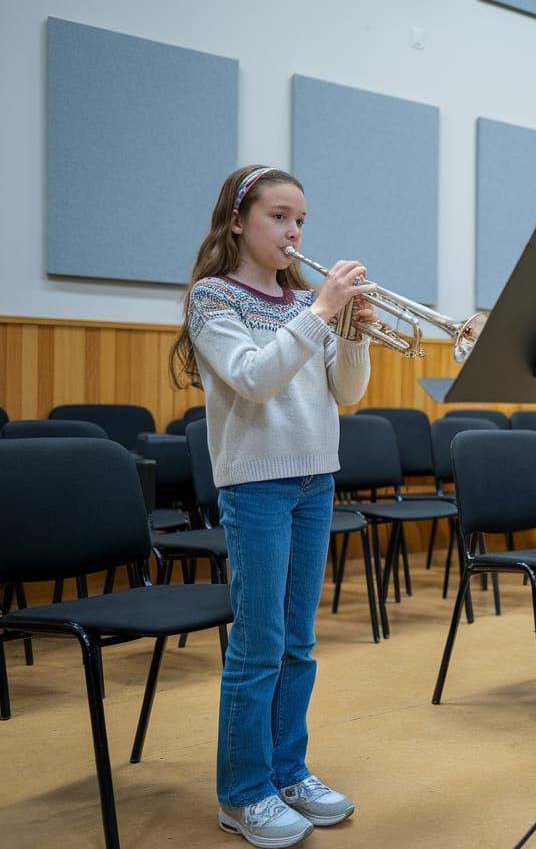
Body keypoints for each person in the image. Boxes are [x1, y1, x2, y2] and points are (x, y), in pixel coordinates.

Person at [170, 165, 377, 847]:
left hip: (317, 479)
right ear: (237, 221)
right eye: (278, 217)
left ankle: (288, 772)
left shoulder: (303, 304)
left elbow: (347, 393)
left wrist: (352, 332)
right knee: (259, 645)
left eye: (301, 221)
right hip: (256, 484)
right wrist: (320, 313)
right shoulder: (213, 298)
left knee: (298, 643)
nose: (293, 232)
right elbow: (254, 380)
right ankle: (243, 792)